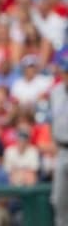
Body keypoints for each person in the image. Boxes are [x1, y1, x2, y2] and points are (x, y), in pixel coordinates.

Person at [49, 60, 68, 226]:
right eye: (65, 72)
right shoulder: (56, 92)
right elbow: (52, 121)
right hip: (61, 149)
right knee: (59, 200)